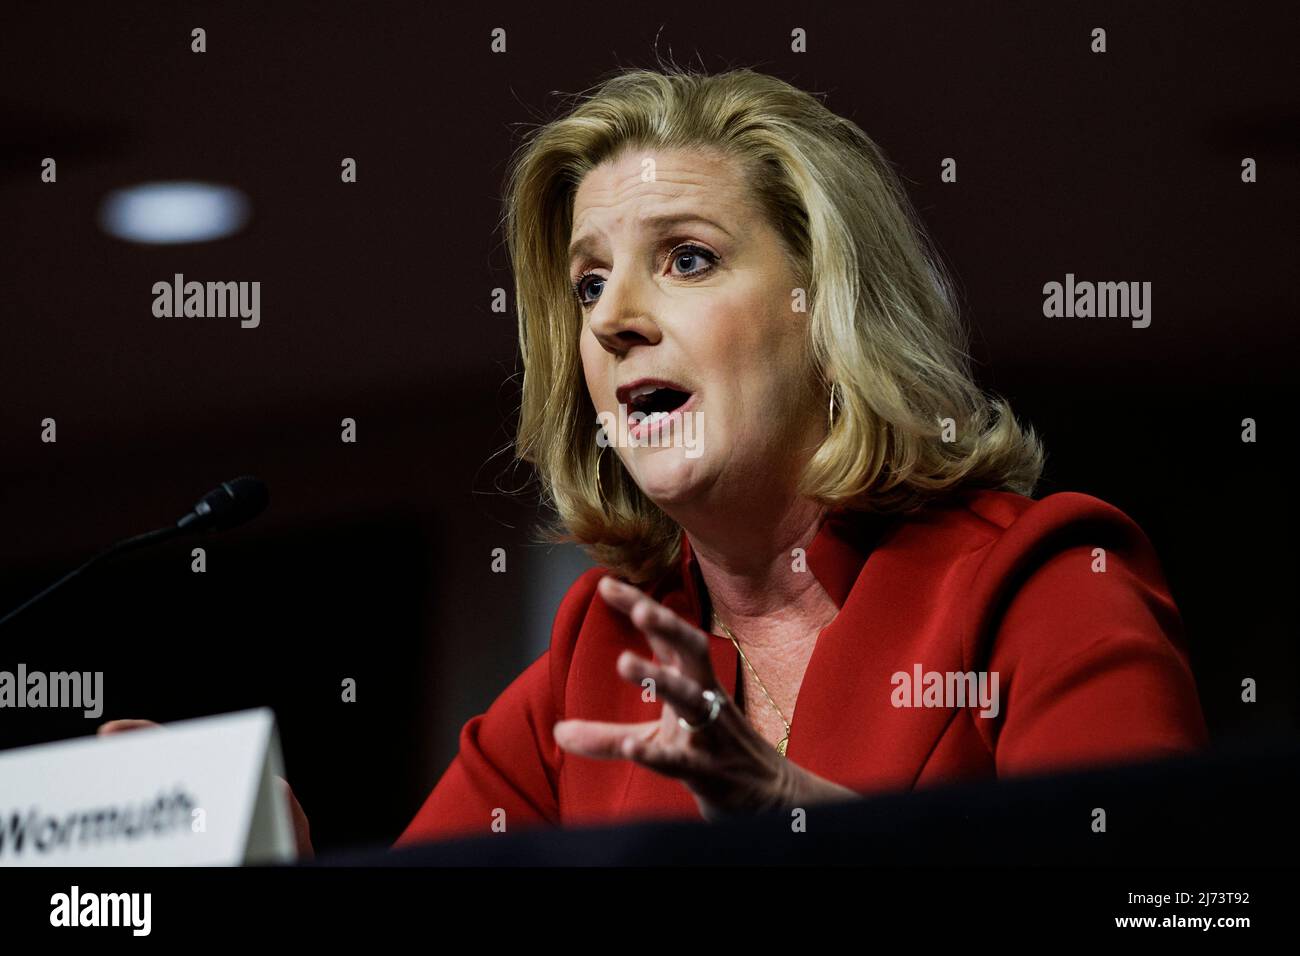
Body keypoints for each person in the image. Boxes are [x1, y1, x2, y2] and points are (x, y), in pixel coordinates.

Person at [104, 65, 1210, 855]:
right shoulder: (594, 657)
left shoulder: (1043, 580)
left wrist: (818, 831)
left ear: (825, 308)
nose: (613, 318)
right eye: (588, 283)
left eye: (686, 258)